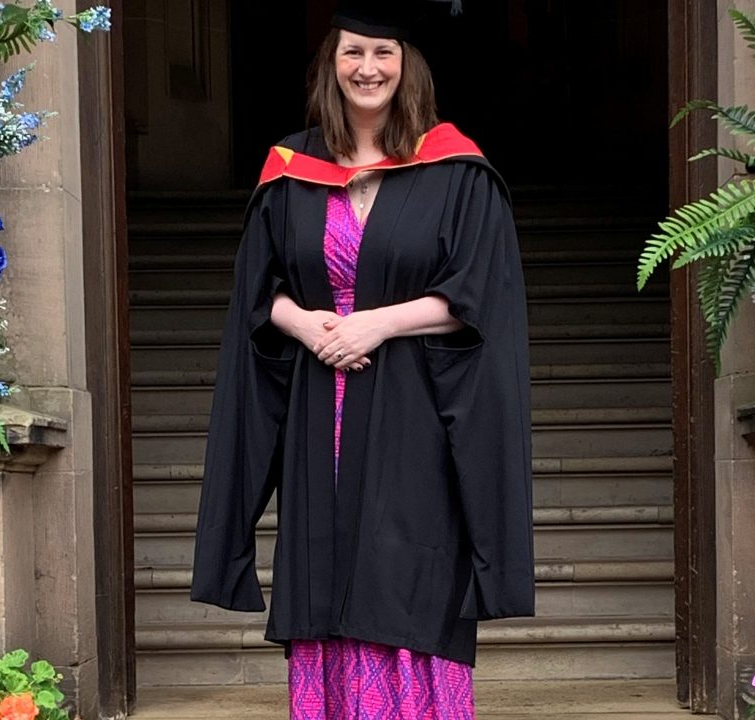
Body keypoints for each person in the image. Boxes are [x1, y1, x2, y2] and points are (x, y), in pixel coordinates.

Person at [190, 0, 534, 716]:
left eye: (383, 53)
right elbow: (259, 291)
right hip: (322, 408)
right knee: (326, 567)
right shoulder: (290, 168)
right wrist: (307, 324)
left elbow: (480, 293)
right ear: (331, 65)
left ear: (407, 66)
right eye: (353, 52)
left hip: (414, 410)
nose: (367, 68)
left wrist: (375, 324)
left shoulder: (455, 169)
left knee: (407, 570)